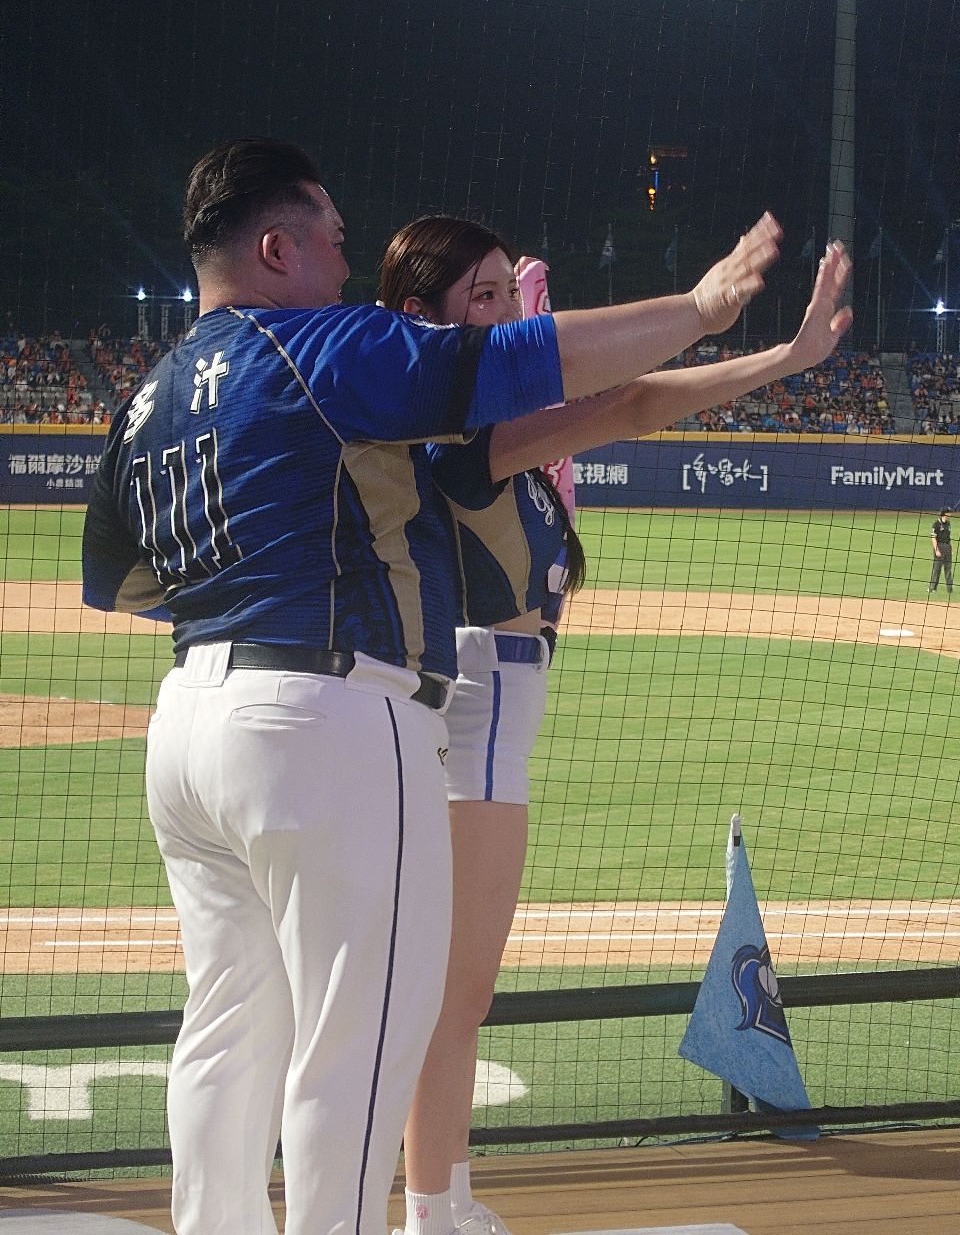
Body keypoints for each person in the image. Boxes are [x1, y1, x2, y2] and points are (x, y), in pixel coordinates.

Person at [79, 137, 784, 1235]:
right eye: (330, 238)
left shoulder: (149, 395)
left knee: (227, 1029)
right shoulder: (321, 344)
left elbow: (118, 581)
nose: (345, 261)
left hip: (188, 727)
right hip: (328, 716)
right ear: (276, 249)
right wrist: (698, 307)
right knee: (357, 1044)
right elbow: (519, 364)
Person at [377, 216, 853, 1235]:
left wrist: (784, 355)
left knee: (456, 991)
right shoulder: (463, 431)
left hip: (481, 711)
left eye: (507, 292)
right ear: (424, 317)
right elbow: (633, 399)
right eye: (483, 297)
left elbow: (628, 401)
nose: (506, 315)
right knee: (453, 993)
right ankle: (431, 1209)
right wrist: (747, 334)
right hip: (476, 713)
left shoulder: (483, 424)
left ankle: (444, 1198)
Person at [929, 507, 953, 593]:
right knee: (937, 569)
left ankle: (949, 589)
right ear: (945, 513)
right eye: (949, 512)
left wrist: (951, 548)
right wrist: (936, 550)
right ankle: (933, 588)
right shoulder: (936, 524)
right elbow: (933, 538)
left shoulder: (948, 523)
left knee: (948, 569)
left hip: (947, 547)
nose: (950, 514)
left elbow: (948, 537)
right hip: (939, 546)